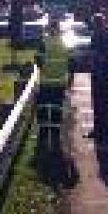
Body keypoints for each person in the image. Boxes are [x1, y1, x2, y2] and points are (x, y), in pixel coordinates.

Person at [35, 19, 70, 148]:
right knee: (57, 110)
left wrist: (44, 70)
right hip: (59, 83)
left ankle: (43, 136)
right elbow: (70, 62)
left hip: (46, 83)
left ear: (49, 29)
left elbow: (38, 60)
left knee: (43, 109)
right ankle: (55, 138)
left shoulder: (44, 42)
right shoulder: (64, 43)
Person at [85, 13, 108, 142]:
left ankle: (98, 130)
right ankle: (105, 130)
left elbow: (93, 52)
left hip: (98, 71)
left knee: (97, 101)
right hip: (106, 71)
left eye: (94, 23)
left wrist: (92, 63)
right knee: (105, 101)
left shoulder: (96, 35)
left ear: (96, 23)